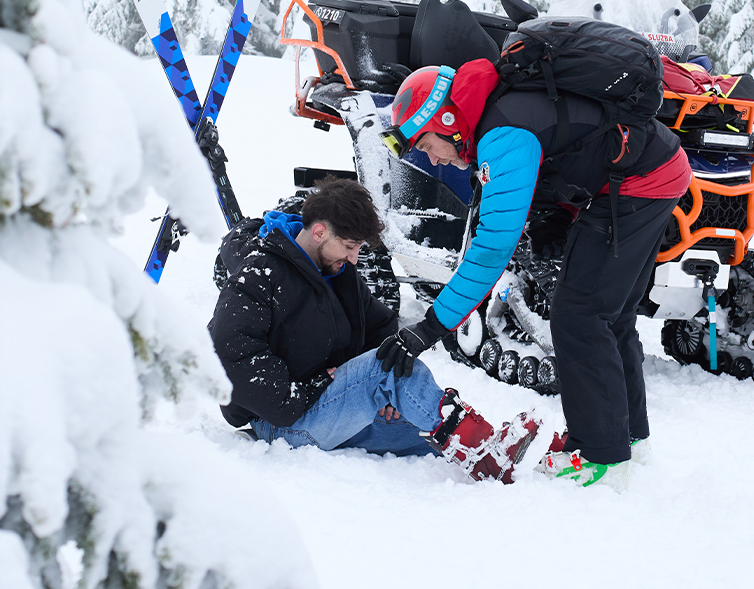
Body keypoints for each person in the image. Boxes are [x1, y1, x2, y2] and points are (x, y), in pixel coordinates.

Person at [377, 60, 692, 490]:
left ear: (447, 121)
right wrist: (552, 222)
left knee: (579, 316)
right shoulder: (499, 112)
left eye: (427, 144)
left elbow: (490, 252)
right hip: (656, 169)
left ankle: (601, 457)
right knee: (610, 316)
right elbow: (564, 147)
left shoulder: (501, 133)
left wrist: (430, 327)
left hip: (638, 182)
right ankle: (629, 440)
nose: (431, 157)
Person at [208, 176, 540, 483]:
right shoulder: (259, 274)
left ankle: (507, 453)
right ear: (320, 232)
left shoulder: (338, 273)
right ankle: (485, 455)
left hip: (325, 408)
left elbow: (379, 325)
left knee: (427, 425)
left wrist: (385, 396)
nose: (354, 258)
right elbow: (230, 354)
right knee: (388, 368)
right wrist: (312, 388)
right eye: (349, 246)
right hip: (282, 422)